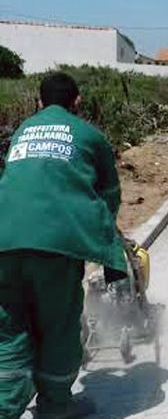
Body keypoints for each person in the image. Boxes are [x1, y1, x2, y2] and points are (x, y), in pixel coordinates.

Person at [0, 72, 128, 419]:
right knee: (58, 327)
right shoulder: (89, 134)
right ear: (78, 102)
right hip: (55, 246)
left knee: (10, 329)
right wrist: (97, 235)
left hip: (3, 241)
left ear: (39, 102)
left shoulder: (21, 132)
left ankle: (6, 408)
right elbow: (110, 195)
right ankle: (56, 407)